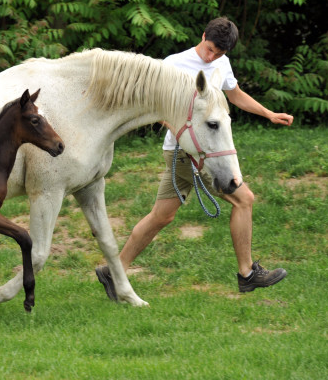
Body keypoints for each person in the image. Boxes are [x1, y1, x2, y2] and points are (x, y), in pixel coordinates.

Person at [96, 17, 293, 297]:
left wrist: (268, 113)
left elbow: (234, 94)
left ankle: (113, 272)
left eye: (219, 53)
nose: (212, 56)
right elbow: (155, 108)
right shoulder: (173, 64)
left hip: (204, 151)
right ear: (202, 36)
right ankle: (247, 273)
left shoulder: (221, 64)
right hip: (184, 152)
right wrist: (182, 131)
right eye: (210, 49)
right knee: (243, 199)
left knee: (161, 216)